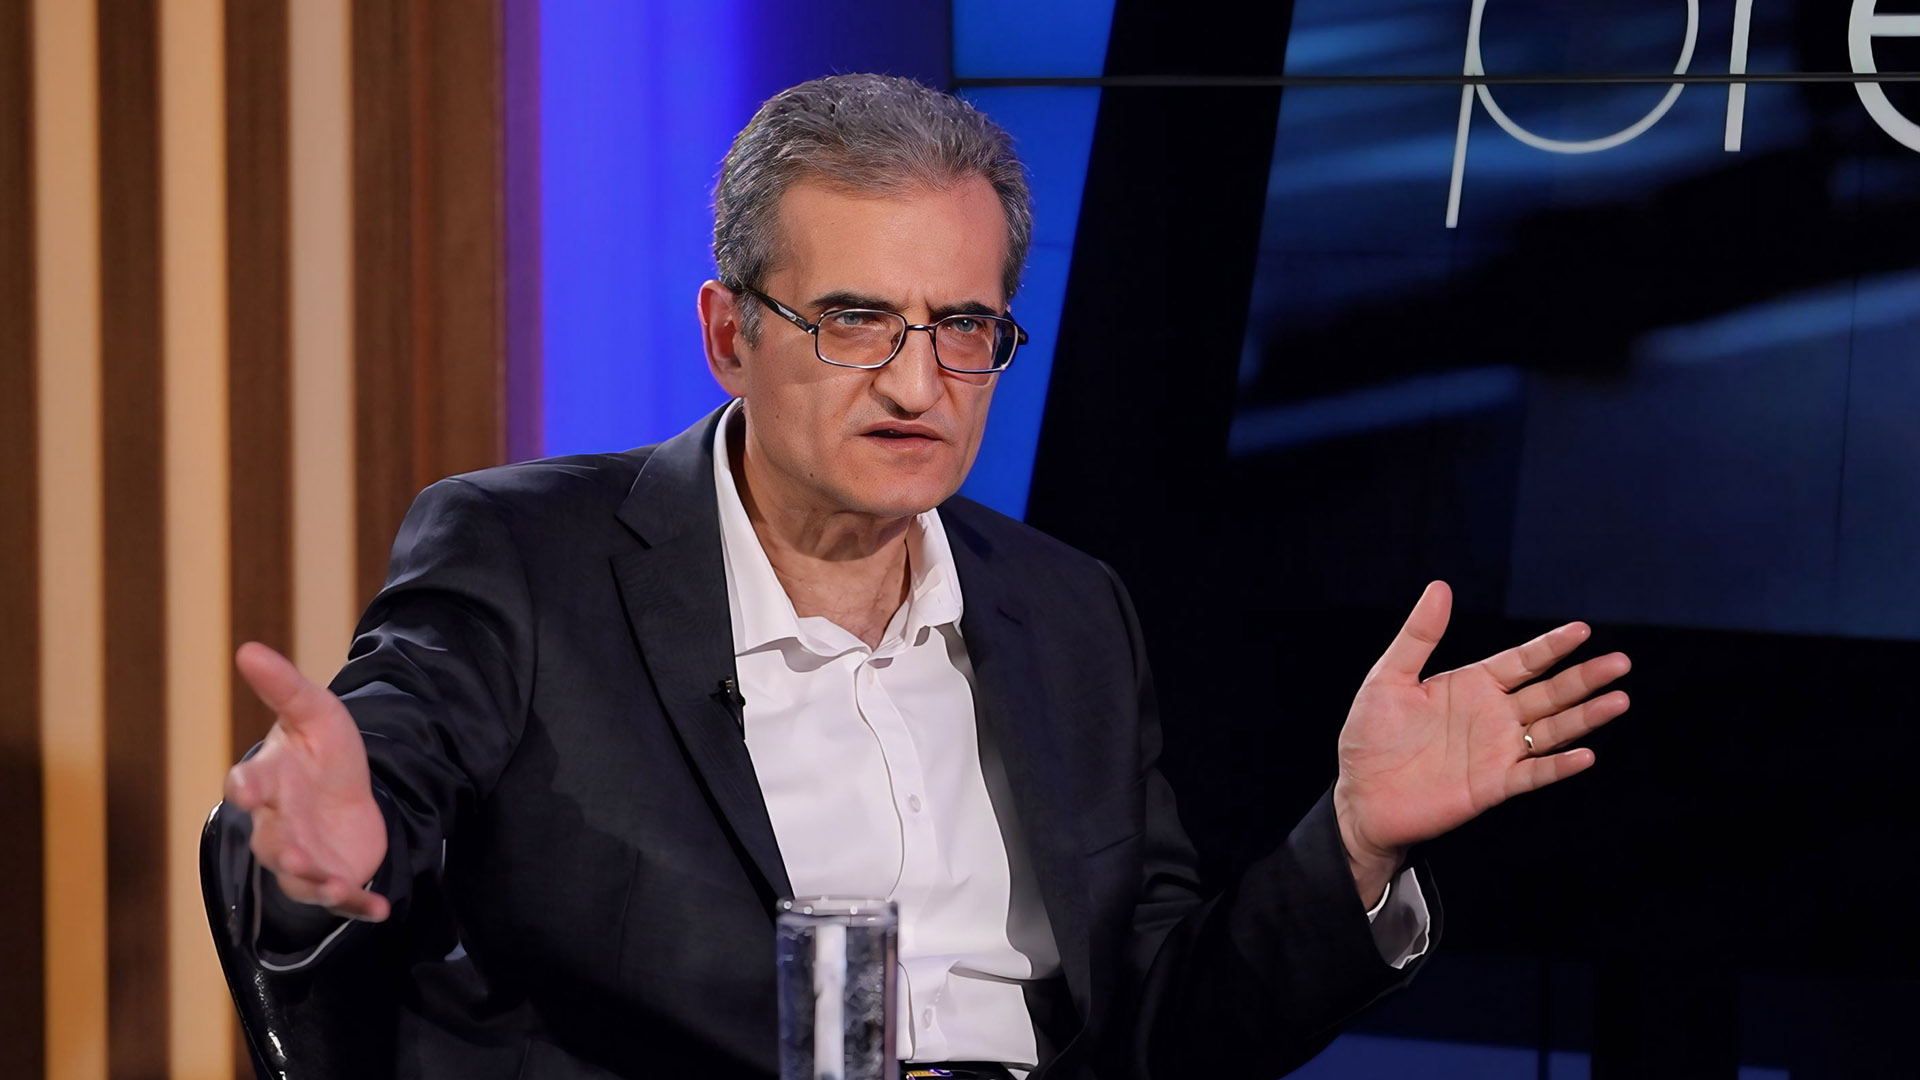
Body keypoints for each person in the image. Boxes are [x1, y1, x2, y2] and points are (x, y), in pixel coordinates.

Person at [223, 74, 1630, 1080]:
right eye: (854, 321)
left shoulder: (1070, 611)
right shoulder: (528, 554)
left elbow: (1162, 1030)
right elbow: (374, 782)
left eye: (963, 327)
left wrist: (1355, 848)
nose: (916, 384)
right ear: (728, 334)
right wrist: (316, 859)